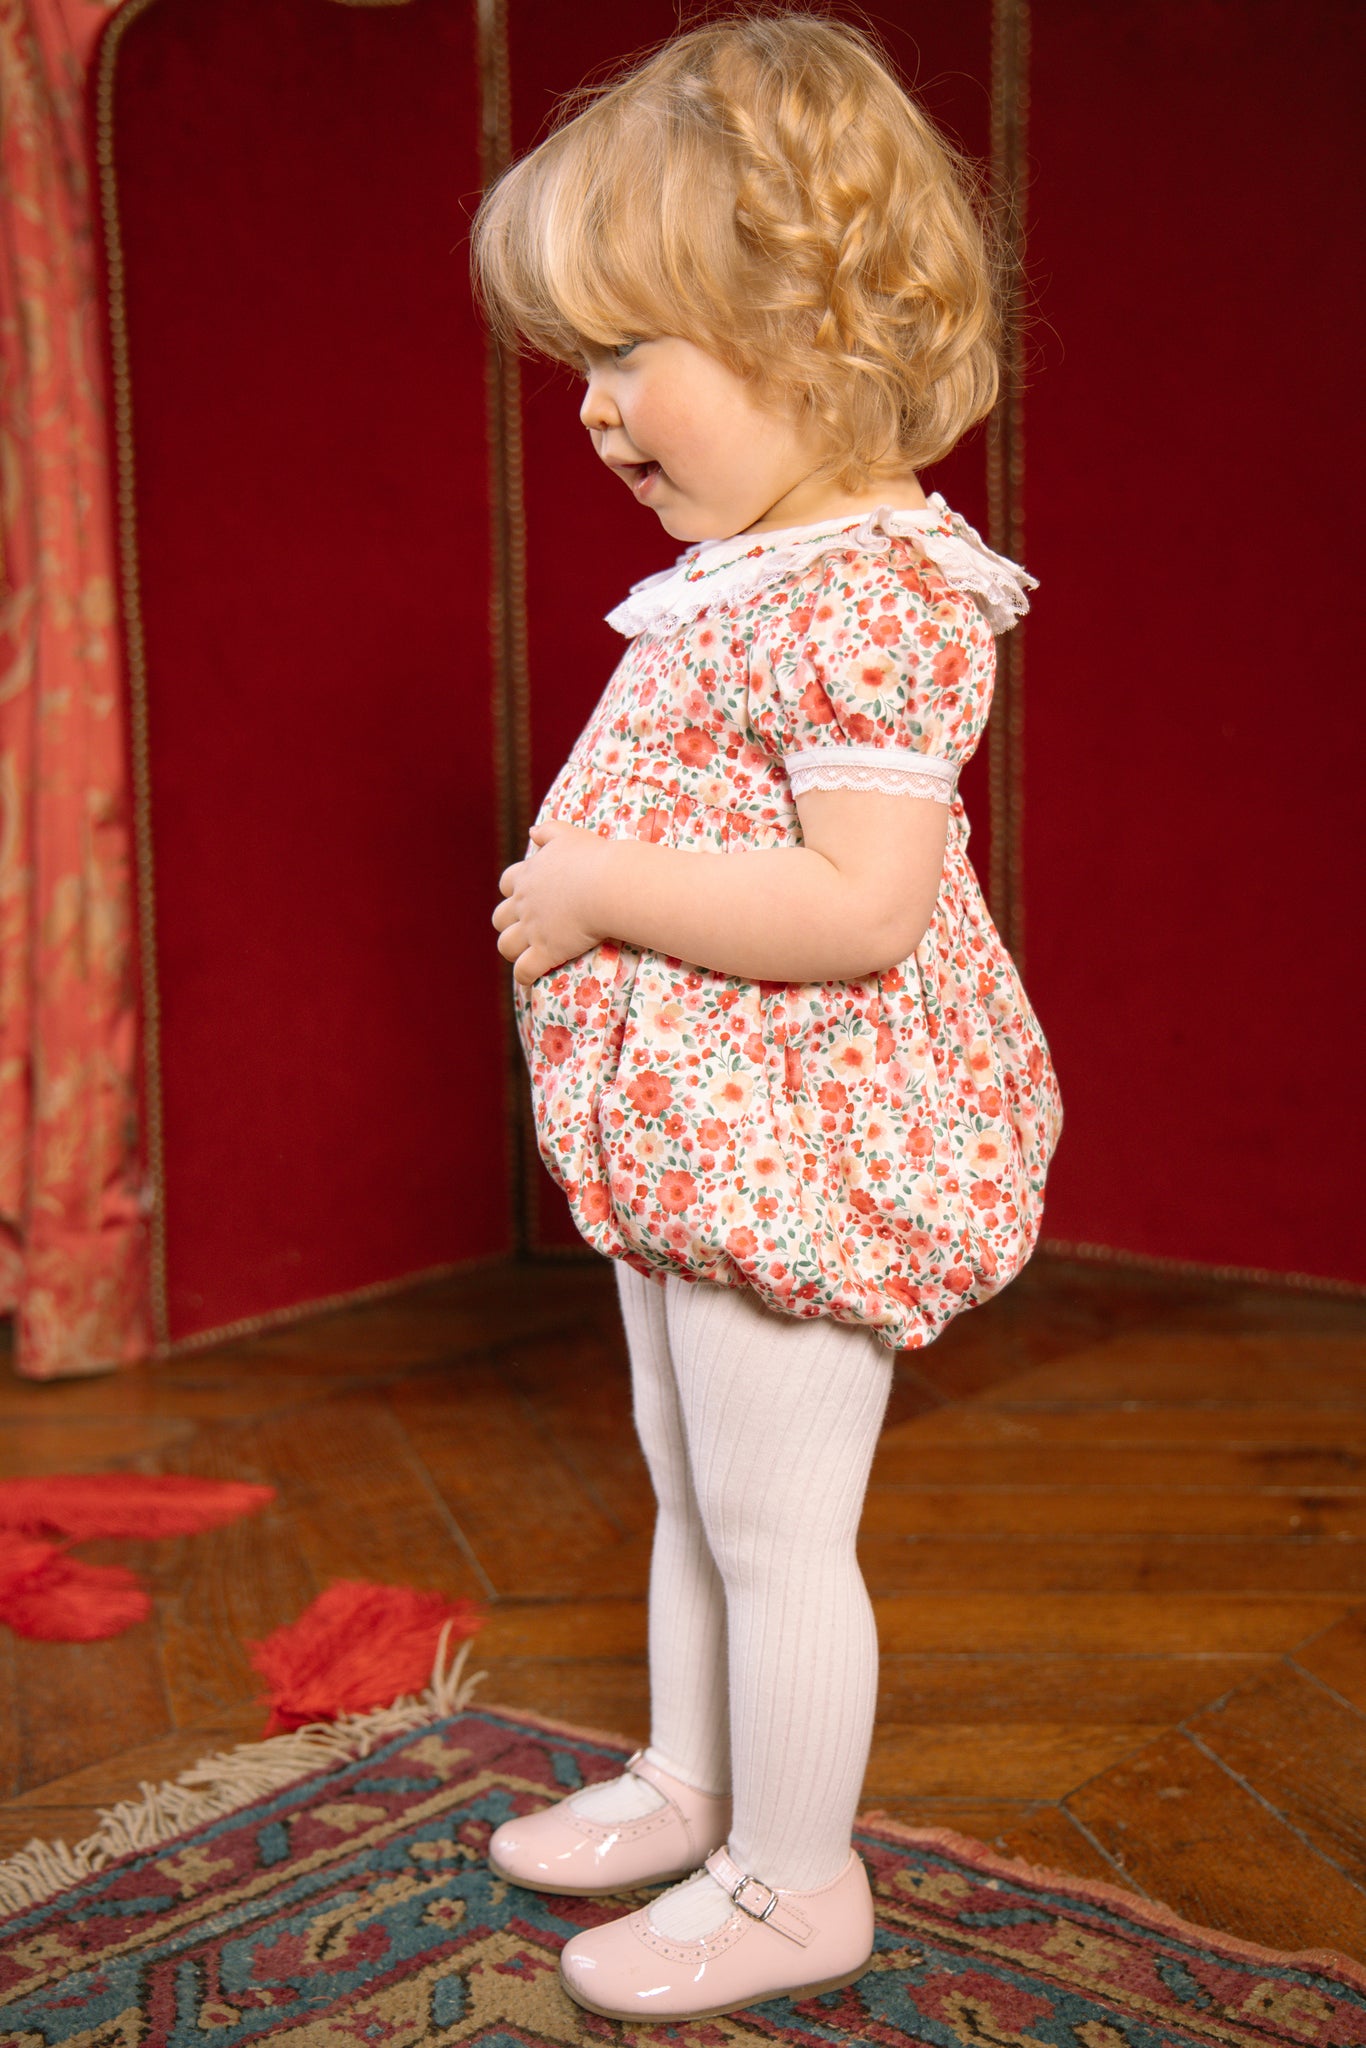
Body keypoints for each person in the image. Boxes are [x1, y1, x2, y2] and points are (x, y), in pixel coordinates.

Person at [475, 9, 1062, 2024]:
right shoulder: (755, 570)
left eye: (631, 355)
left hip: (803, 1133)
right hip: (701, 1125)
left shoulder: (874, 594)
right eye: (578, 366)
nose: (596, 413)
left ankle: (791, 1881)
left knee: (772, 1516)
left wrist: (592, 889)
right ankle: (693, 1781)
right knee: (685, 1477)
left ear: (813, 335)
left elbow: (857, 901)